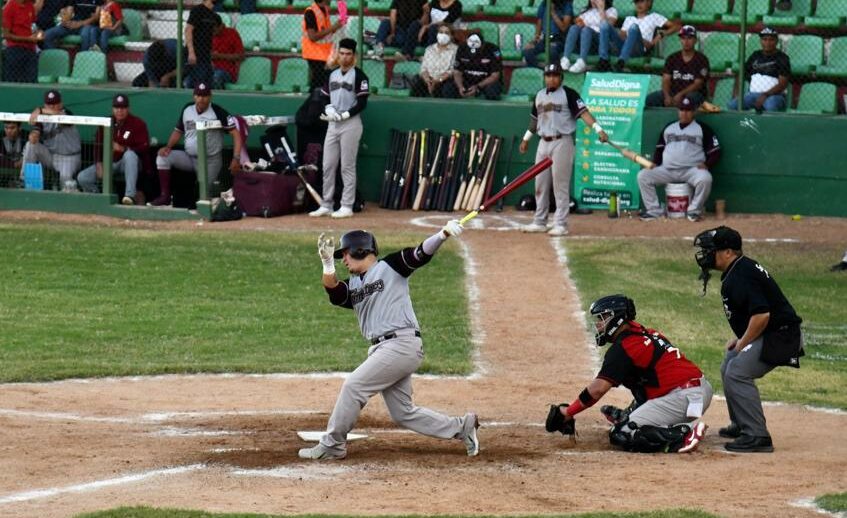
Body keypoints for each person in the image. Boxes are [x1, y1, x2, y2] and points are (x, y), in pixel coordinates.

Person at [299, 224, 480, 460]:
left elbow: (420, 253)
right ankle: (462, 427)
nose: (343, 259)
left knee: (354, 386)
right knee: (402, 413)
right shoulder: (354, 285)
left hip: (401, 344)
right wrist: (327, 265)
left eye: (344, 253)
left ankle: (333, 444)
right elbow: (333, 290)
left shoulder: (391, 266)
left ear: (360, 250)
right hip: (384, 349)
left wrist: (442, 235)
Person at [547, 294, 713, 453]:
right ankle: (637, 416)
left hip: (683, 399)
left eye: (602, 318)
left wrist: (568, 412)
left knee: (622, 433)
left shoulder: (624, 348)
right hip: (695, 392)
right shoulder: (646, 333)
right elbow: (650, 381)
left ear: (617, 319)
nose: (598, 324)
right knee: (635, 404)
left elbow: (598, 389)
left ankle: (682, 435)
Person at [693, 226, 804, 453]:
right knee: (729, 363)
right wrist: (740, 340)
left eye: (711, 250)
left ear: (728, 252)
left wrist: (743, 342)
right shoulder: (740, 269)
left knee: (738, 371)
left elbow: (763, 315)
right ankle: (741, 424)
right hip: (774, 332)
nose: (706, 254)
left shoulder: (742, 274)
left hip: (782, 336)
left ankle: (757, 435)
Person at [518, 62, 608, 236]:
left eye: (555, 75)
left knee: (560, 184)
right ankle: (540, 221)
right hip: (543, 142)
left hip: (562, 141)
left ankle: (560, 223)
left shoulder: (569, 94)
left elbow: (584, 114)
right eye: (548, 75)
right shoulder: (539, 95)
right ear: (544, 77)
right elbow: (535, 120)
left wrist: (599, 129)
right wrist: (526, 139)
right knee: (540, 184)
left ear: (561, 77)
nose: (551, 78)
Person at [151, 83, 242, 206]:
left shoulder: (218, 112)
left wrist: (236, 157)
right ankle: (165, 196)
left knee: (202, 195)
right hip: (190, 158)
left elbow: (236, 134)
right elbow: (178, 131)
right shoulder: (187, 109)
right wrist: (168, 147)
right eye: (198, 95)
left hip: (210, 161)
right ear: (194, 96)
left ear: (210, 97)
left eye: (204, 96)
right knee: (162, 158)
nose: (201, 99)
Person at [309, 38, 369, 219]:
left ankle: (346, 205)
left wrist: (346, 114)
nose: (344, 57)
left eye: (348, 54)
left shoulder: (359, 76)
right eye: (341, 53)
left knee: (347, 166)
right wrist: (328, 108)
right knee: (328, 165)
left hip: (350, 124)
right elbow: (325, 97)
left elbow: (362, 102)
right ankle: (326, 204)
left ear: (354, 56)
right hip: (333, 123)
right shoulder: (332, 74)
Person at [637, 94, 720, 222]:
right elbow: (660, 148)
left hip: (691, 171)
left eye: (688, 110)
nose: (684, 113)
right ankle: (654, 211)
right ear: (678, 111)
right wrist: (655, 163)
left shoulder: (703, 128)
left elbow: (715, 151)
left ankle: (694, 211)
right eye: (682, 110)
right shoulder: (669, 127)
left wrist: (707, 164)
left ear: (693, 112)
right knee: (643, 176)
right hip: (667, 170)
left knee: (705, 178)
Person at [77, 94, 150, 205]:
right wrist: (98, 163)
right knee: (83, 177)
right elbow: (97, 146)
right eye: (117, 108)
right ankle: (97, 200)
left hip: (129, 163)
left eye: (123, 108)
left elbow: (144, 146)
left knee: (130, 155)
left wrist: (124, 149)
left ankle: (129, 195)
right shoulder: (106, 122)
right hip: (110, 163)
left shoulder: (137, 123)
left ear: (128, 109)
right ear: (113, 109)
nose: (119, 111)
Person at [21, 89, 82, 191]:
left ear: (61, 104)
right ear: (45, 105)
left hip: (69, 158)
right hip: (51, 156)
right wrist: (33, 135)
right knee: (30, 145)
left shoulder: (67, 114)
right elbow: (35, 134)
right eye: (49, 104)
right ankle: (24, 180)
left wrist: (39, 110)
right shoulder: (41, 118)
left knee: (65, 184)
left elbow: (58, 115)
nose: (52, 107)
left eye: (55, 103)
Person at [599, 0, 677, 72]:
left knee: (634, 27)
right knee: (604, 25)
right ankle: (603, 60)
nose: (639, 4)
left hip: (639, 48)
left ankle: (621, 62)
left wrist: (661, 34)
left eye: (642, 1)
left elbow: (676, 26)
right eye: (636, 2)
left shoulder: (654, 17)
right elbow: (622, 35)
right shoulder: (629, 18)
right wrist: (632, 36)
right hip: (624, 46)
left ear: (649, 2)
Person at [728, 27, 790, 113]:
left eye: (771, 40)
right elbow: (741, 75)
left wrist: (765, 95)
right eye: (764, 39)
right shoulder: (755, 55)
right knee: (733, 105)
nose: (767, 43)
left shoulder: (782, 58)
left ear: (776, 41)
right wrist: (737, 95)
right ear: (760, 41)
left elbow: (782, 84)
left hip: (774, 96)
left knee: (770, 106)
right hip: (752, 94)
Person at [646, 25, 709, 108]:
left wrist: (681, 94)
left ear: (695, 41)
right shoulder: (672, 58)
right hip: (673, 93)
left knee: (688, 100)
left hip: (694, 94)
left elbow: (698, 84)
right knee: (650, 100)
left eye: (689, 38)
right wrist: (667, 96)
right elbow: (666, 79)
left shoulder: (702, 59)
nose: (686, 41)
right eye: (683, 38)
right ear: (680, 40)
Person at [560, 0, 618, 73]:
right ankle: (565, 59)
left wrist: (601, 9)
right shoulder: (586, 11)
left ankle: (582, 61)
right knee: (574, 28)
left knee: (587, 30)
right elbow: (578, 23)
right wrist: (581, 23)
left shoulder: (611, 11)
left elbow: (607, 26)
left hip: (599, 43)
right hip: (583, 42)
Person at [442, 31, 502, 100]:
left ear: (483, 45)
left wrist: (478, 87)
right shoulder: (462, 48)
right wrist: (460, 86)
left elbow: (495, 75)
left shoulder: (493, 50)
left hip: (485, 82)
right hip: (467, 81)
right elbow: (457, 72)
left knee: (492, 91)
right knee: (448, 88)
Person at [302, 0, 345, 89]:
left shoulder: (324, 9)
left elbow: (325, 30)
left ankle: (316, 99)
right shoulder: (310, 12)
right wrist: (333, 27)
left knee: (321, 82)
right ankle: (314, 100)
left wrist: (335, 27)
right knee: (319, 82)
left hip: (323, 52)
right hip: (314, 53)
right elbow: (313, 37)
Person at [522, 0, 573, 69]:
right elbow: (539, 22)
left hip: (559, 40)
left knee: (552, 51)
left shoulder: (567, 5)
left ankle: (555, 72)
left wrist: (552, 12)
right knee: (527, 51)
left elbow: (563, 28)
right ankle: (541, 72)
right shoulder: (544, 3)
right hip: (545, 39)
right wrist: (535, 39)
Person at [2, 0, 44, 83]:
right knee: (12, 81)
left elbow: (33, 25)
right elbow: (6, 35)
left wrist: (39, 32)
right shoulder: (9, 8)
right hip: (15, 50)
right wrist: (28, 39)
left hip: (30, 49)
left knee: (32, 81)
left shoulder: (30, 5)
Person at [411, 23, 457, 98]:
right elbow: (424, 68)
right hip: (429, 79)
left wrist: (438, 80)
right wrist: (427, 80)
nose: (443, 35)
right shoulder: (429, 49)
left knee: (448, 88)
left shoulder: (456, 50)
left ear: (451, 36)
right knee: (417, 83)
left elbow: (452, 70)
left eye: (446, 33)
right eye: (441, 32)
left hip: (444, 80)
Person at [185, 0, 218, 88]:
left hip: (205, 55)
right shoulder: (198, 10)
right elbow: (188, 30)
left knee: (205, 82)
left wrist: (209, 58)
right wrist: (191, 52)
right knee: (197, 83)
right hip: (196, 52)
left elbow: (210, 36)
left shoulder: (213, 14)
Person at [211, 16, 244, 90]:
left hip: (226, 71)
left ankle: (218, 98)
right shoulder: (206, 34)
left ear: (221, 25)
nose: (212, 33)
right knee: (189, 81)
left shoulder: (232, 33)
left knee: (217, 76)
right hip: (209, 68)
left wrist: (220, 56)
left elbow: (241, 56)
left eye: (214, 30)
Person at [1, 122, 28, 187]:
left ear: (19, 128)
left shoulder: (27, 136)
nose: (9, 131)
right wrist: (14, 164)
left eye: (12, 128)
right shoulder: (1, 136)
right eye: (6, 128)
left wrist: (23, 161)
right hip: (5, 173)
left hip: (24, 170)